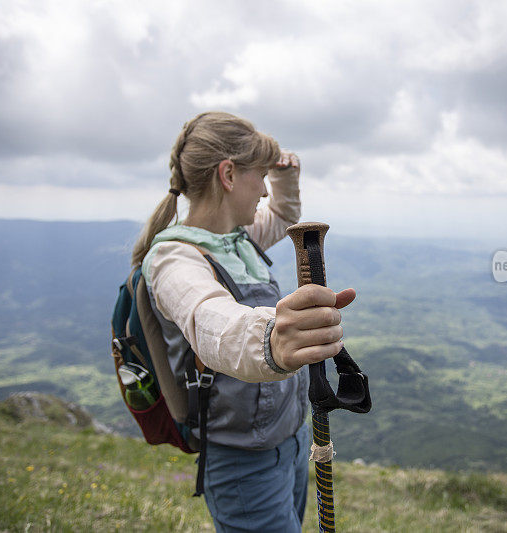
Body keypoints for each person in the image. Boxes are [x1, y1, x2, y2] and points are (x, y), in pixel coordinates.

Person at [130, 111, 356, 532]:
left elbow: (284, 213)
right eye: (260, 175)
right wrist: (272, 339)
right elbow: (211, 322)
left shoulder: (238, 238)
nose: (265, 189)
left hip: (290, 440)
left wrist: (286, 175)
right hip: (243, 463)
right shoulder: (174, 260)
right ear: (229, 174)